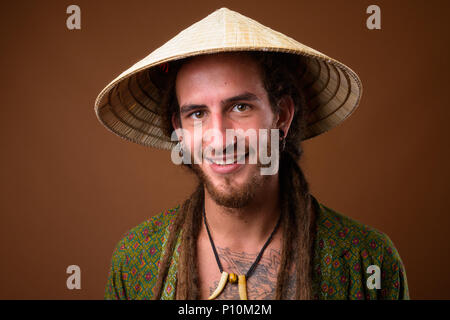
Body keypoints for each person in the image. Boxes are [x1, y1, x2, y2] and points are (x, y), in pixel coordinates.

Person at [96, 8, 409, 300]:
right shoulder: (137, 259)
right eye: (197, 114)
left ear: (282, 116)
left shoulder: (366, 261)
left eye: (240, 107)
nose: (219, 139)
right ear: (179, 129)